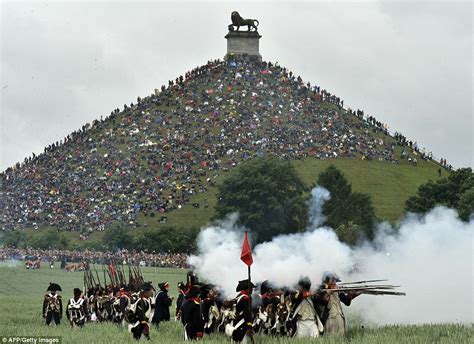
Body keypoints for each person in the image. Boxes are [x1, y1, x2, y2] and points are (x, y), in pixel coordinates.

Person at [231, 279, 255, 343]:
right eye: (251, 288)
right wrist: (249, 327)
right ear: (246, 289)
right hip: (243, 323)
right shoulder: (246, 298)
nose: (252, 290)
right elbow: (247, 313)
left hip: (236, 321)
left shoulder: (239, 296)